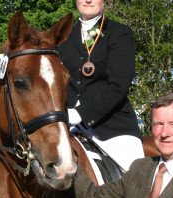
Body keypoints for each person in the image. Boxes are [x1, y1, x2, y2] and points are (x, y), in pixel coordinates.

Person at [58, 0, 144, 172]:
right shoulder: (62, 36)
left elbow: (119, 85)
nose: (88, 0)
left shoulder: (120, 33)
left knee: (135, 178)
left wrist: (80, 113)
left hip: (111, 126)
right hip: (66, 123)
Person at [72, 92, 173, 198]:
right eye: (158, 124)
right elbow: (93, 197)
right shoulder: (139, 168)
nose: (164, 133)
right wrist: (68, 161)